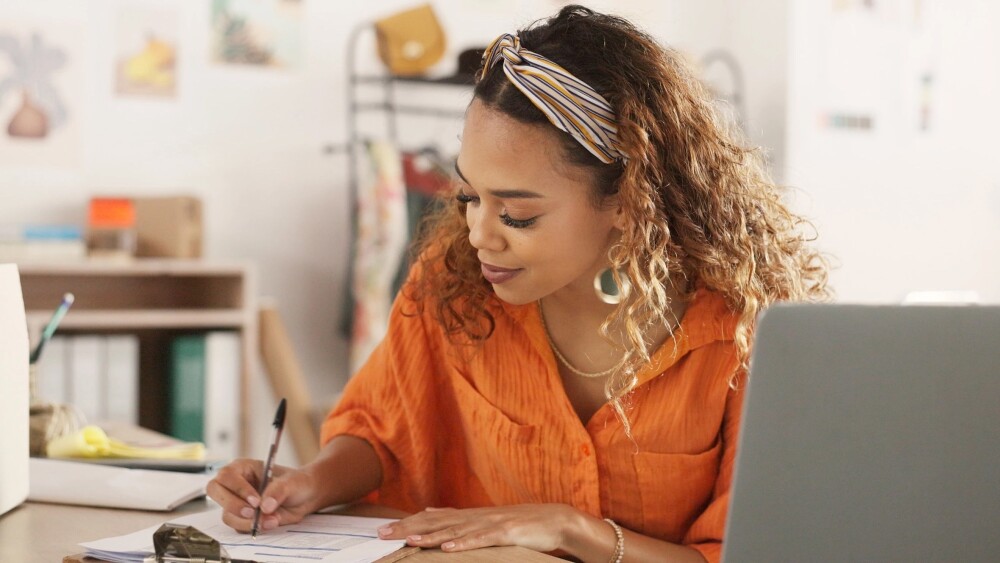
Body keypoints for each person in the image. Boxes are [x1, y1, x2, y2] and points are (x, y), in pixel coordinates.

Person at [208, 5, 830, 562]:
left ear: (629, 199)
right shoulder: (452, 286)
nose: (480, 234)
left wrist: (571, 530)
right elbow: (385, 434)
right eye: (471, 196)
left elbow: (753, 552)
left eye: (517, 215)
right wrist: (309, 484)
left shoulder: (750, 332)